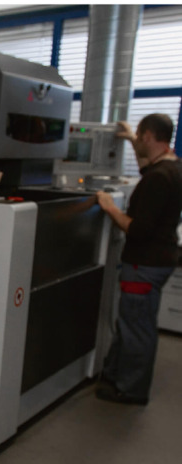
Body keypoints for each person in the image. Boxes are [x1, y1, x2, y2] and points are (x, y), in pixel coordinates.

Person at [95, 113, 182, 405]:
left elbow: (138, 228)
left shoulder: (158, 179)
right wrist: (132, 138)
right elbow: (148, 165)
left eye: (140, 138)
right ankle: (114, 375)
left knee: (137, 330)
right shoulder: (172, 167)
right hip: (160, 260)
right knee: (132, 322)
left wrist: (109, 207)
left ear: (149, 136)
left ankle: (130, 389)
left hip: (144, 265)